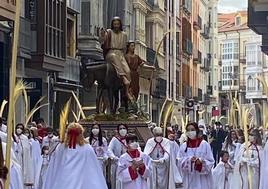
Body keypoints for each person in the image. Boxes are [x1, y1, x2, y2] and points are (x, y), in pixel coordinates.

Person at [43, 122, 108, 189]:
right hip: (81, 179)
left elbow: (55, 164)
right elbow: (93, 168)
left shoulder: (61, 147)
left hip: (64, 179)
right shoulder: (87, 148)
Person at [99, 17, 132, 100]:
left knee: (128, 70)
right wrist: (103, 34)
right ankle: (123, 78)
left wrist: (123, 56)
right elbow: (102, 40)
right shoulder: (109, 32)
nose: (116, 26)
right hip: (111, 53)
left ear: (120, 24)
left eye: (117, 24)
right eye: (114, 24)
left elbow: (124, 49)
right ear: (112, 25)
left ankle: (127, 91)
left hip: (120, 54)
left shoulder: (124, 34)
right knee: (114, 57)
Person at [177, 122, 214, 189]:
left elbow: (211, 161)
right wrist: (189, 160)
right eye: (188, 130)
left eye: (192, 129)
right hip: (188, 178)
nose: (190, 132)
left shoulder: (204, 144)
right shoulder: (183, 146)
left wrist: (201, 162)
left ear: (196, 130)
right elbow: (179, 161)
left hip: (201, 179)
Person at [14, 123, 34, 189]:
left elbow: (26, 150)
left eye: (21, 128)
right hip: (15, 158)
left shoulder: (24, 138)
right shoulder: (13, 136)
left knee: (22, 175)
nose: (19, 129)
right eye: (18, 128)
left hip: (22, 160)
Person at [108, 124, 128, 189]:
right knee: (115, 181)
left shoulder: (129, 139)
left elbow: (137, 148)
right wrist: (113, 157)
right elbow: (109, 149)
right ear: (118, 130)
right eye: (120, 128)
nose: (122, 130)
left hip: (127, 164)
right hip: (116, 163)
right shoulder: (115, 139)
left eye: (124, 128)